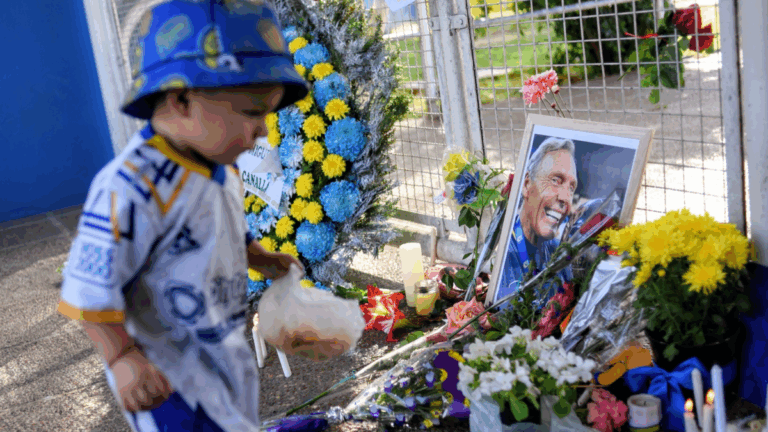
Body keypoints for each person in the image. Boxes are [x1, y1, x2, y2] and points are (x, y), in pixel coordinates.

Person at [56, 1, 309, 430]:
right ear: (181, 100)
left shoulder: (223, 167)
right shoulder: (132, 187)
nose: (264, 130)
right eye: (252, 113)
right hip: (167, 380)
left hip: (220, 352)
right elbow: (88, 287)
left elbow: (228, 228)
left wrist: (260, 258)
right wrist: (120, 356)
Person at [495, 137, 578, 304]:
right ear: (526, 185)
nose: (565, 198)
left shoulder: (560, 254)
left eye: (571, 188)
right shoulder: (503, 252)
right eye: (555, 181)